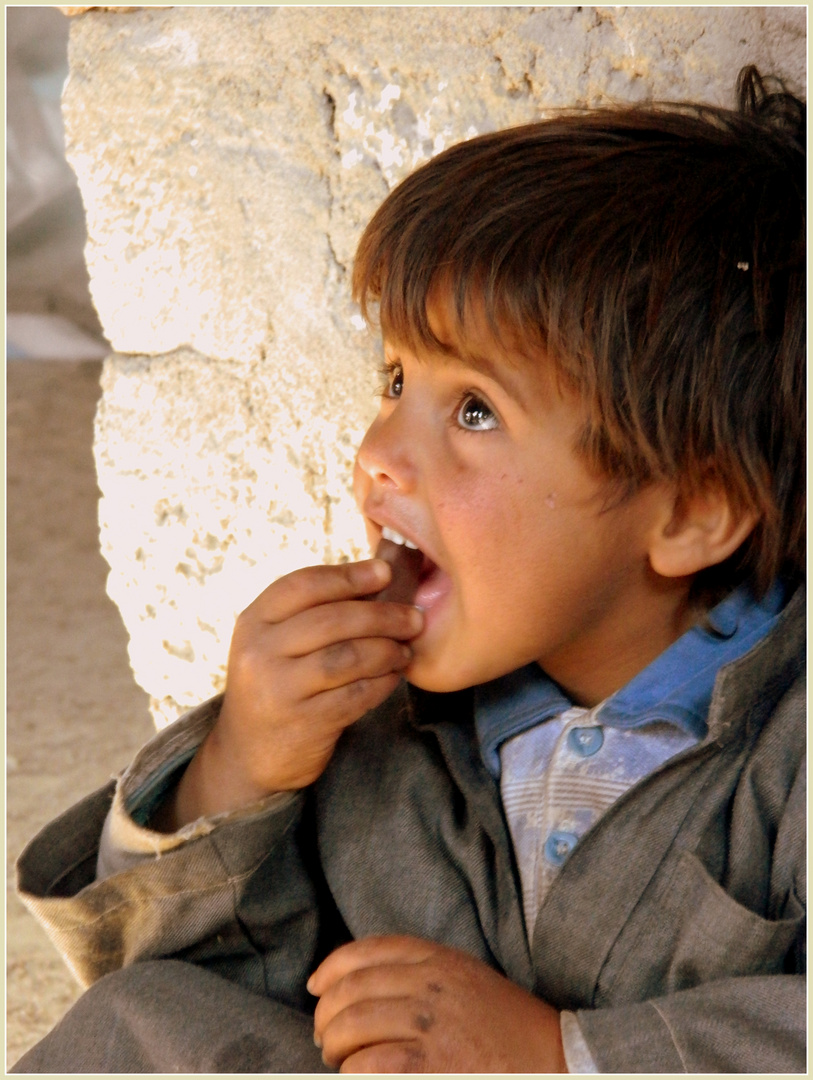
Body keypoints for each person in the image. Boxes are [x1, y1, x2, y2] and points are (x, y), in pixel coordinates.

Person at [14, 66, 804, 1073]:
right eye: (395, 379)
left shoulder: (790, 740)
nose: (379, 451)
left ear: (691, 511)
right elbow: (190, 980)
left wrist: (563, 1055)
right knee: (146, 1017)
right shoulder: (378, 730)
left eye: (474, 410)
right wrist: (238, 766)